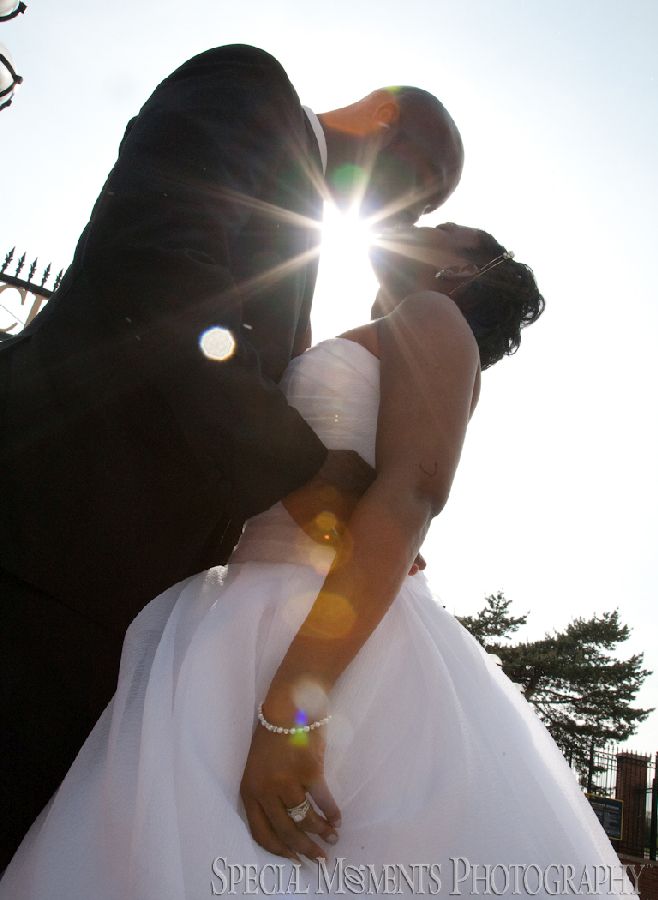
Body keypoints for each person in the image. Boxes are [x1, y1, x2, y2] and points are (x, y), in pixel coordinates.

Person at [1, 224, 635, 897]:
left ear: (463, 271)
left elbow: (415, 490)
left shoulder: (430, 315)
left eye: (441, 230)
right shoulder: (388, 331)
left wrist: (291, 715)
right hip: (247, 608)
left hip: (311, 633)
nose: (414, 225)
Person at [0, 45, 464, 866]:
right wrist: (313, 474)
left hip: (132, 614)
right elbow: (156, 273)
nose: (414, 203)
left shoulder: (308, 245)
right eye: (423, 173)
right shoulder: (248, 91)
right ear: (384, 110)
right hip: (42, 542)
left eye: (430, 201)